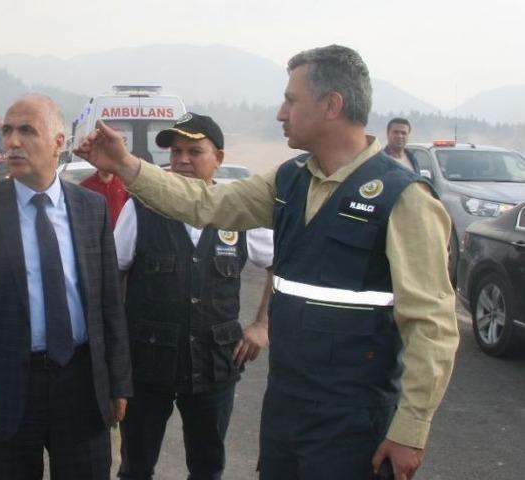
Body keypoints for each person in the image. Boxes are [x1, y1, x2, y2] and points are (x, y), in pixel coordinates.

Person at [74, 44, 459, 480]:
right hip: (286, 408)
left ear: (331, 105)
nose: (280, 112)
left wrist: (411, 428)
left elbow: (432, 324)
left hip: (354, 416)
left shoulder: (403, 198)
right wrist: (126, 164)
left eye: (291, 101)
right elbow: (206, 202)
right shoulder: (290, 179)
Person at [0, 94, 133, 480]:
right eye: (7, 131)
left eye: (26, 131)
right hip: (4, 388)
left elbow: (109, 303)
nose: (12, 141)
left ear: (58, 142)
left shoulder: (90, 208)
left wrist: (118, 381)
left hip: (80, 383)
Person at [113, 112, 274, 480]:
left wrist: (263, 323)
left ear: (218, 157)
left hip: (216, 364)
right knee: (135, 467)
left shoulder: (240, 213)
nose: (182, 160)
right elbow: (114, 272)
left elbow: (283, 263)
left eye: (194, 151)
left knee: (207, 468)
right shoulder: (141, 207)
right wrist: (116, 346)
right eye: (176, 151)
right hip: (148, 364)